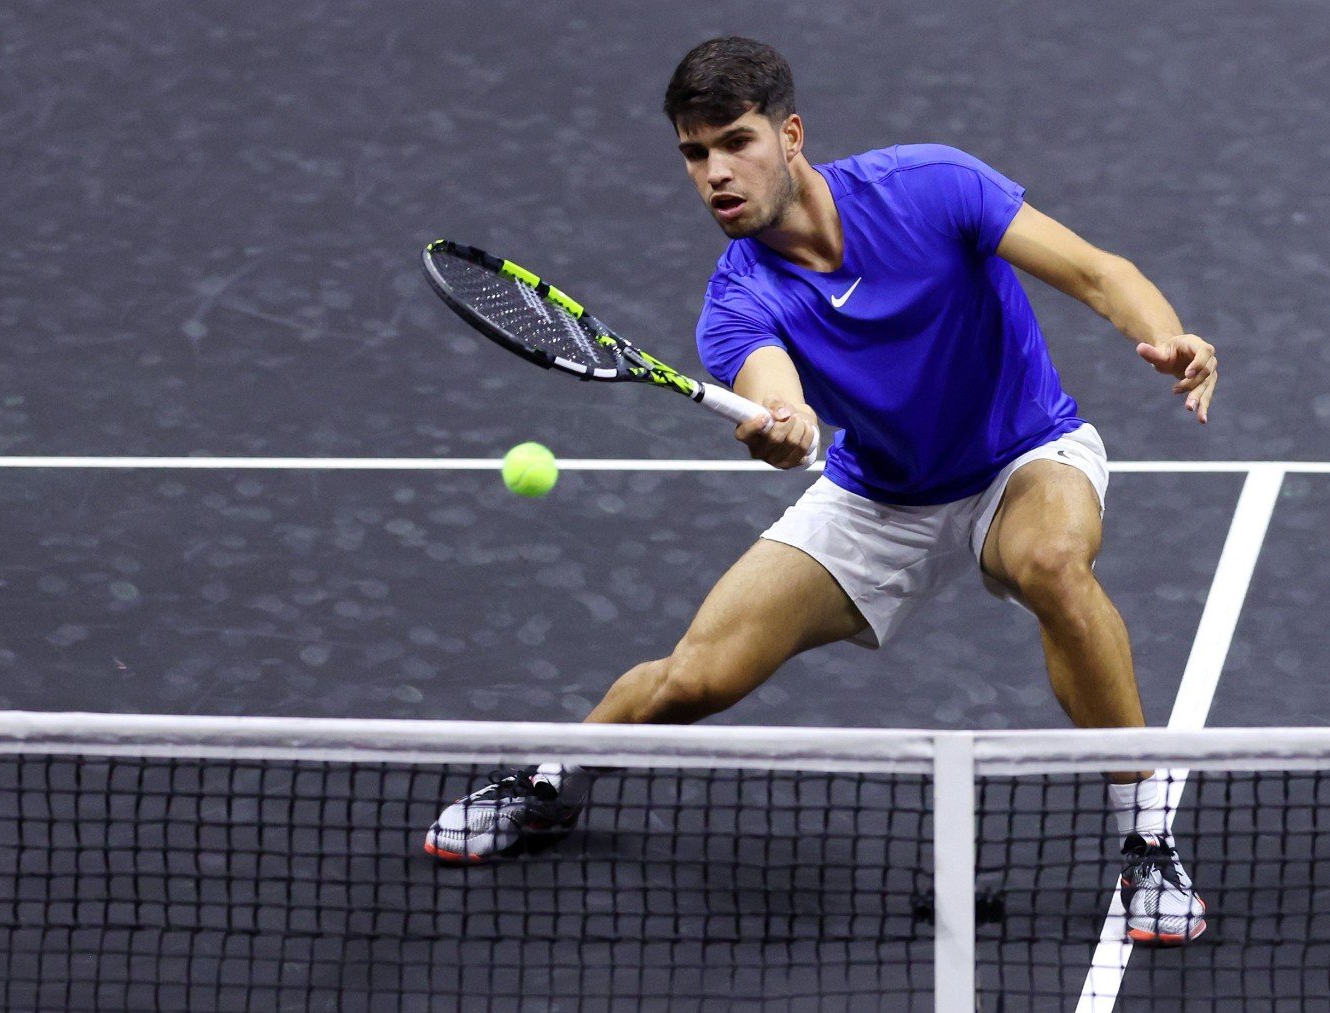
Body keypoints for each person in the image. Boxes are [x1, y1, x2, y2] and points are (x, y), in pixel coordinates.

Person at [425, 36, 1219, 946]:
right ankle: (552, 782)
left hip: (1024, 454)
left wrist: (1170, 335)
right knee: (696, 676)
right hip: (879, 494)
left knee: (1051, 562)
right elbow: (775, 393)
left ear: (790, 134)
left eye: (735, 142)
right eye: (694, 152)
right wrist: (784, 425)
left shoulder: (929, 185)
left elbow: (1095, 271)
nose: (716, 173)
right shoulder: (737, 304)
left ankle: (1145, 835)